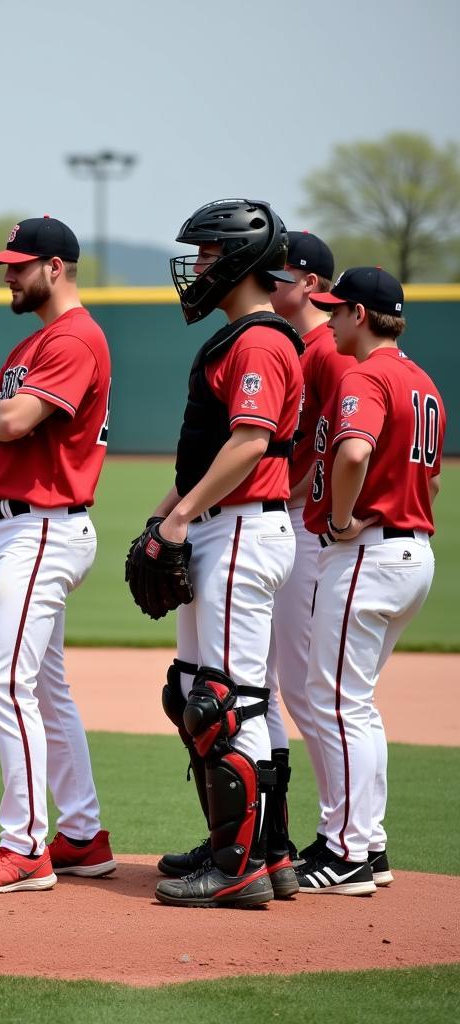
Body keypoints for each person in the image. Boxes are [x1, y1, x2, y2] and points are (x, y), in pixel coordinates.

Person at [0, 215, 116, 894]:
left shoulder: (74, 338)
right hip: (20, 527)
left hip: (44, 524)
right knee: (45, 686)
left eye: (18, 265)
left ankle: (25, 847)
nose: (8, 276)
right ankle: (81, 834)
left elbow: (6, 422)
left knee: (1, 680)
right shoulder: (31, 346)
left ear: (54, 267)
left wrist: (1, 419)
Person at [147, 198, 304, 908]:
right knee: (196, 694)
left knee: (227, 704)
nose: (197, 268)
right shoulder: (241, 337)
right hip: (225, 524)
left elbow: (247, 442)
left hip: (240, 528)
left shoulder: (260, 343)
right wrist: (165, 516)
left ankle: (237, 869)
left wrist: (180, 516)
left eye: (208, 255)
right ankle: (261, 853)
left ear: (240, 262)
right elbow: (211, 452)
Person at [296, 267, 443, 895]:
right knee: (353, 702)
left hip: (371, 556)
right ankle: (370, 844)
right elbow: (432, 481)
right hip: (413, 557)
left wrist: (338, 517)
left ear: (361, 313)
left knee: (334, 701)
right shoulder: (422, 380)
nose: (328, 319)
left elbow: (353, 452)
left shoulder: (366, 374)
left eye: (335, 310)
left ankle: (347, 851)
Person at [266, 231, 354, 866]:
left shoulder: (325, 351)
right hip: (292, 523)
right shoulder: (301, 345)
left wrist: (292, 494)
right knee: (272, 684)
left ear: (313, 286)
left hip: (303, 526)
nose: (271, 281)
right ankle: (283, 833)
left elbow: (340, 445)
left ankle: (344, 836)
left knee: (304, 687)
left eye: (282, 273)